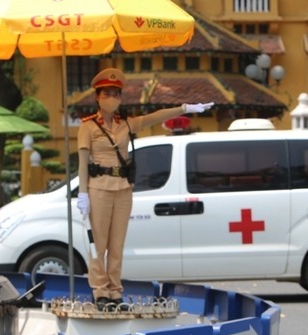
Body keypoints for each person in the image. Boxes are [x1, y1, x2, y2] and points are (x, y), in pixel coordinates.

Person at [76, 68, 213, 311]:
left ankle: (115, 292)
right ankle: (100, 292)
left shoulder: (126, 124)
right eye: (108, 93)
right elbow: (83, 161)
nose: (114, 98)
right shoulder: (87, 127)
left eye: (117, 94)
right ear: (98, 96)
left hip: (123, 189)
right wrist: (83, 193)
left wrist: (184, 108)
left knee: (117, 245)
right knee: (98, 244)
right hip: (98, 189)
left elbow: (155, 116)